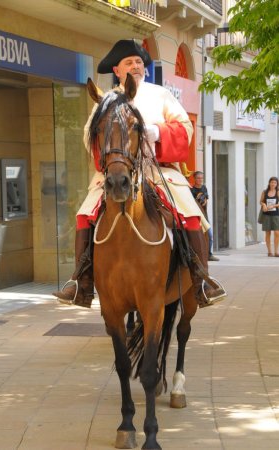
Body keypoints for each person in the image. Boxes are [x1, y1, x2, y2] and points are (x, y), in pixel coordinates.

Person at [52, 39, 226, 308]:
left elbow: (185, 130)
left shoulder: (161, 95)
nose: (135, 66)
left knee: (190, 214)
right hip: (117, 169)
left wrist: (158, 133)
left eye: (138, 62)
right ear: (117, 71)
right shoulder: (105, 99)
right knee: (84, 215)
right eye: (128, 63)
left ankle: (201, 279)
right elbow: (90, 138)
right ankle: (82, 283)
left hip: (160, 169)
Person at [191, 171, 219, 262]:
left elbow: (206, 198)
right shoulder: (191, 190)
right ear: (194, 179)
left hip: (204, 216)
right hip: (196, 217)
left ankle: (209, 254)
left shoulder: (204, 188)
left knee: (210, 235)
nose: (200, 180)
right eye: (198, 178)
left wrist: (204, 200)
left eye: (201, 178)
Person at [259, 176, 279, 256]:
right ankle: (269, 251)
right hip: (266, 215)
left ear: (277, 184)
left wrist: (273, 206)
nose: (273, 184)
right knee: (268, 233)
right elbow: (261, 201)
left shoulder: (278, 192)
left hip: (276, 215)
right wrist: (263, 204)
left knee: (277, 233)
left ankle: (276, 251)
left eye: (275, 182)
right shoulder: (265, 192)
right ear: (269, 183)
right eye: (272, 182)